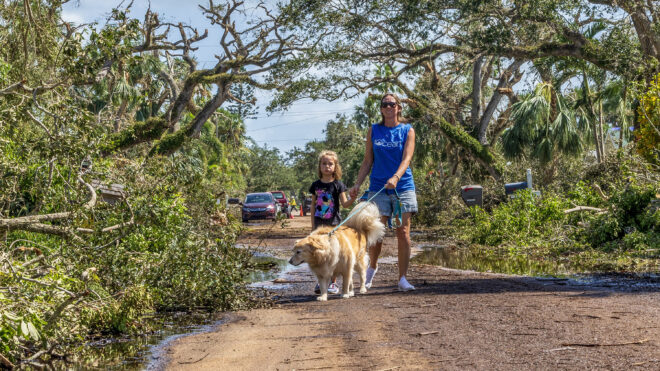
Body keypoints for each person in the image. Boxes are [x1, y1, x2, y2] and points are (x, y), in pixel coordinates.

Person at [349, 93, 417, 292]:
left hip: (402, 186)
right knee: (376, 232)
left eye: (392, 104)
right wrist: (357, 184)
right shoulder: (374, 130)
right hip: (378, 186)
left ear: (399, 108)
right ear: (381, 109)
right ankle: (372, 267)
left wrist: (396, 177)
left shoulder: (407, 130)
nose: (388, 107)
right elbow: (368, 160)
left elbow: (407, 158)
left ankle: (402, 278)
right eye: (385, 104)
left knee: (402, 232)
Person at [309, 150, 356, 295]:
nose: (327, 166)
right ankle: (321, 281)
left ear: (335, 167)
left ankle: (333, 283)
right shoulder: (315, 185)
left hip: (334, 224)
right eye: (324, 163)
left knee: (333, 254)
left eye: (330, 164)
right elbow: (312, 205)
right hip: (319, 225)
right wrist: (312, 225)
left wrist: (353, 198)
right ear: (320, 166)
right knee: (319, 253)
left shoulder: (338, 185)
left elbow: (345, 203)